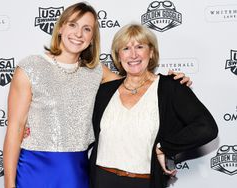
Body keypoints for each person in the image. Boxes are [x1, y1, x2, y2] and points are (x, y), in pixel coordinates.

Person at [3, 2, 191, 188]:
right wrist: (9, 184)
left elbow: (139, 84)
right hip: (34, 168)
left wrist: (171, 84)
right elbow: (15, 129)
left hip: (76, 171)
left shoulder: (96, 72)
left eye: (86, 29)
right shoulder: (30, 67)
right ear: (60, 28)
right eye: (73, 25)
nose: (78, 34)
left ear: (92, 38)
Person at [89, 23, 218, 188]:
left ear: (151, 52)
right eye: (126, 48)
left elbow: (206, 128)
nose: (133, 54)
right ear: (118, 55)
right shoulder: (105, 91)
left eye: (139, 46)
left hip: (144, 182)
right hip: (102, 180)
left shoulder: (170, 87)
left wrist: (165, 147)